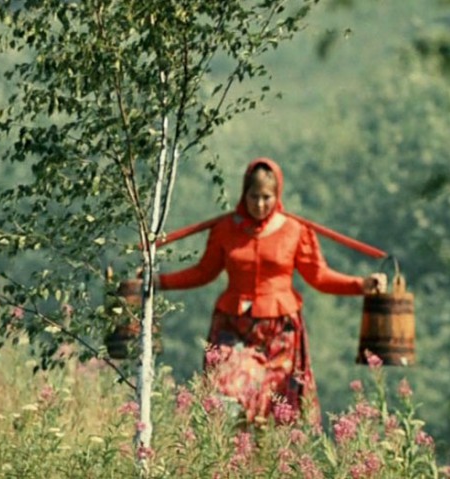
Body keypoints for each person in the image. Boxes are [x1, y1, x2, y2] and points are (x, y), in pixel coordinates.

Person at [156, 157, 385, 426]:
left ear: (278, 196)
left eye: (267, 197)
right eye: (254, 197)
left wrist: (360, 285)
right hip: (233, 327)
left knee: (278, 407)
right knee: (227, 391)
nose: (260, 204)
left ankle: (260, 452)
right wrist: (160, 282)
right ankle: (227, 447)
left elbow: (319, 276)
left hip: (281, 331)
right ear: (244, 194)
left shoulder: (295, 230)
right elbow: (203, 272)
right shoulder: (225, 229)